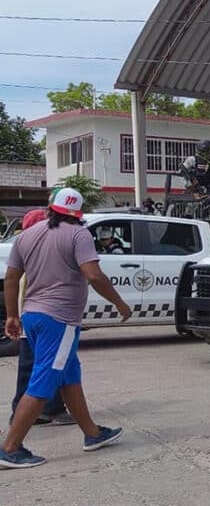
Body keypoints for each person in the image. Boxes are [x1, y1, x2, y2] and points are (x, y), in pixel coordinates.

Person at [0, 188, 133, 469]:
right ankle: (10, 449)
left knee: (69, 376)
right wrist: (120, 303)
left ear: (51, 206)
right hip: (59, 321)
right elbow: (94, 275)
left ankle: (93, 434)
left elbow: (11, 278)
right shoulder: (78, 234)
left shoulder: (28, 234)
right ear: (78, 212)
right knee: (44, 382)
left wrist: (12, 315)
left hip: (33, 317)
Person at [9, 209, 72, 427]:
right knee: (43, 366)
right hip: (40, 320)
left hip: (32, 319)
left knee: (43, 366)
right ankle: (30, 412)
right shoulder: (36, 255)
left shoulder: (27, 248)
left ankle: (47, 408)